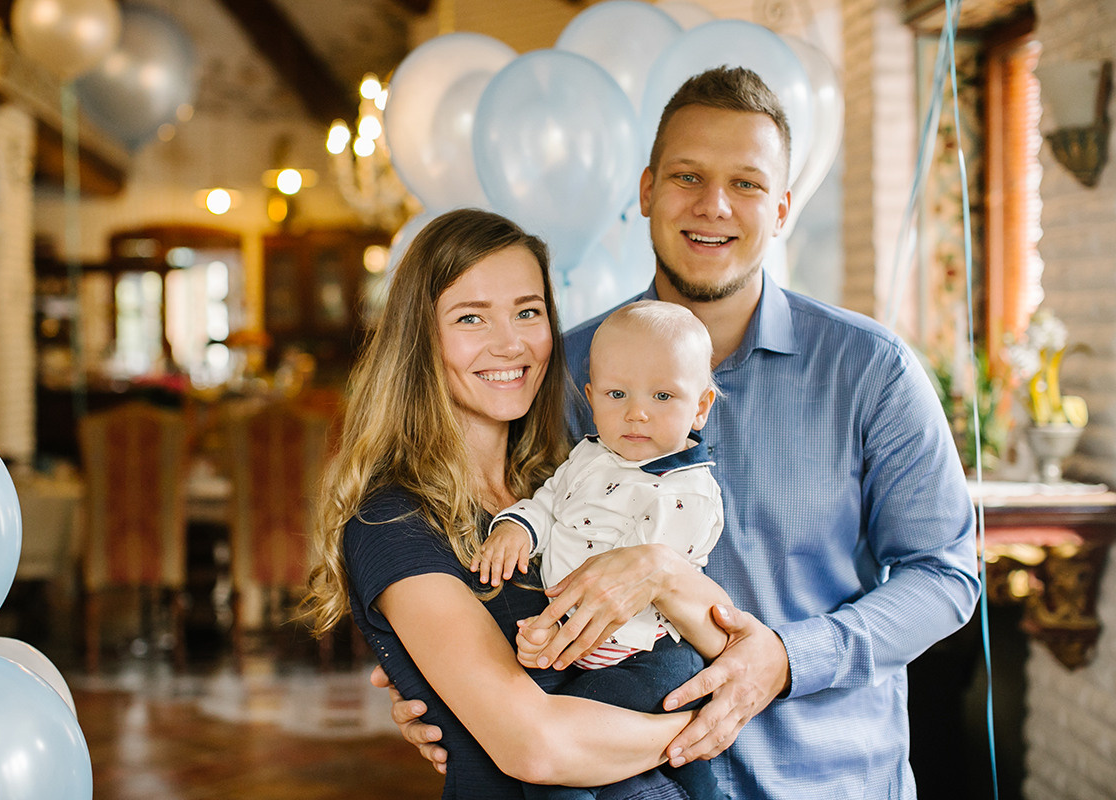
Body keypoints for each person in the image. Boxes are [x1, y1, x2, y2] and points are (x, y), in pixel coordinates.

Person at [379, 67, 982, 799]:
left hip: (825, 779)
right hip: (627, 781)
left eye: (748, 185)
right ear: (645, 191)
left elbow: (945, 574)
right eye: (687, 176)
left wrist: (788, 659)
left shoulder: (870, 371)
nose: (714, 206)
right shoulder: (562, 371)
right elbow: (487, 549)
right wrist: (435, 686)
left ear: (783, 207)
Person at [305, 208, 735, 800]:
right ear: (420, 340)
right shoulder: (393, 521)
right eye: (471, 317)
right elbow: (535, 745)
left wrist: (659, 573)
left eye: (528, 312)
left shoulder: (563, 477)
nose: (510, 344)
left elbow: (729, 639)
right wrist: (706, 727)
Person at [473, 300, 726, 800]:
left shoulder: (686, 490)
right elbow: (549, 503)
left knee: (559, 761)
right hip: (578, 648)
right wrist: (518, 529)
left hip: (644, 655)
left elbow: (636, 580)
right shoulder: (589, 456)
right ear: (591, 398)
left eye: (662, 395)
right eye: (617, 394)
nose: (636, 412)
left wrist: (552, 633)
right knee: (509, 723)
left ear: (700, 407)